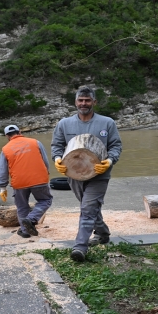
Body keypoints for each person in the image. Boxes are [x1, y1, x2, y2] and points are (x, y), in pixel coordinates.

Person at [51, 86, 122, 262]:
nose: (84, 103)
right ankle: (103, 233)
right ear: (75, 102)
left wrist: (109, 162)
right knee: (88, 206)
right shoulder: (64, 124)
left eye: (87, 100)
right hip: (74, 173)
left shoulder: (107, 123)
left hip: (99, 174)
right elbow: (57, 145)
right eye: (80, 100)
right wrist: (57, 159)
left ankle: (80, 247)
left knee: (87, 209)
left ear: (94, 102)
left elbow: (116, 146)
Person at [0, 124, 53, 238]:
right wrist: (46, 173)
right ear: (20, 131)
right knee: (45, 200)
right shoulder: (35, 142)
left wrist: (3, 187)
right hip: (39, 179)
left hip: (19, 183)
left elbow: (2, 170)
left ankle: (25, 231)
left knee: (22, 207)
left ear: (7, 136)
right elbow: (45, 161)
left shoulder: (5, 149)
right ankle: (31, 219)